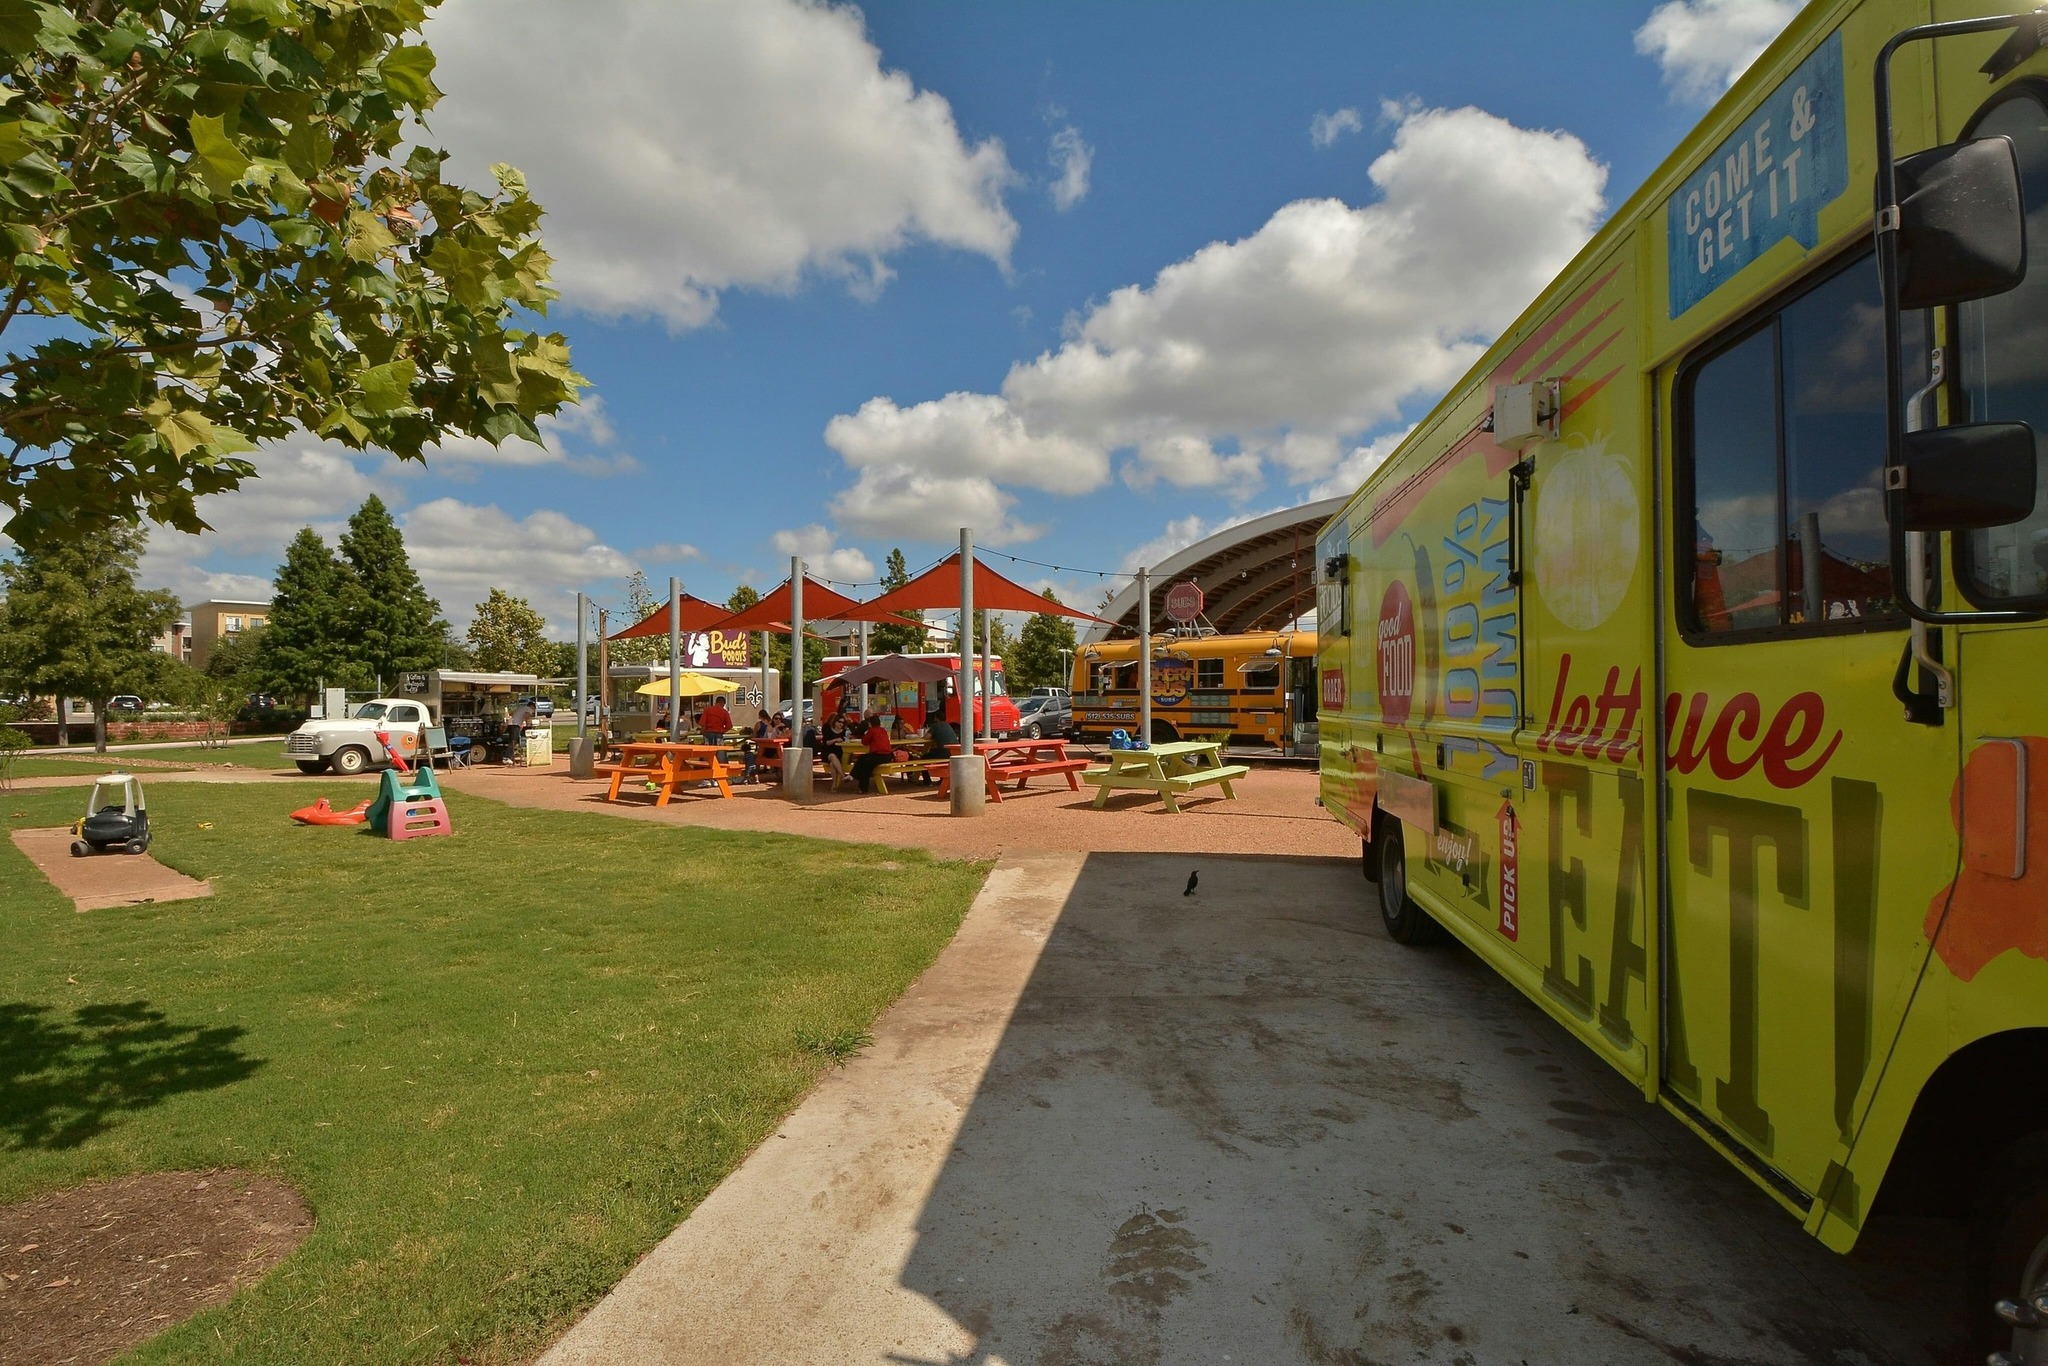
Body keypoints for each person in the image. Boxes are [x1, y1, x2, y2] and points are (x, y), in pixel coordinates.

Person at [850, 709, 897, 792]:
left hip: (878, 755)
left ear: (870, 724)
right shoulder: (883, 730)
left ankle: (861, 786)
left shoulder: (871, 730)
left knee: (866, 767)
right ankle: (853, 776)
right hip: (888, 755)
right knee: (862, 758)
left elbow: (864, 742)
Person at [919, 705, 959, 785]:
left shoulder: (936, 726)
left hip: (943, 752)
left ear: (936, 718)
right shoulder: (948, 725)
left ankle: (927, 781)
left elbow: (926, 737)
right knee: (935, 753)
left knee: (923, 758)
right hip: (953, 752)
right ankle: (942, 779)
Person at [819, 710, 851, 789]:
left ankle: (834, 784)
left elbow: (847, 739)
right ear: (835, 722)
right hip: (828, 751)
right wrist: (835, 740)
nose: (841, 724)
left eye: (843, 723)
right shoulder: (828, 729)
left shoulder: (844, 731)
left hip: (839, 752)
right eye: (839, 722)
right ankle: (843, 775)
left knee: (833, 764)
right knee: (833, 756)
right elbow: (826, 743)